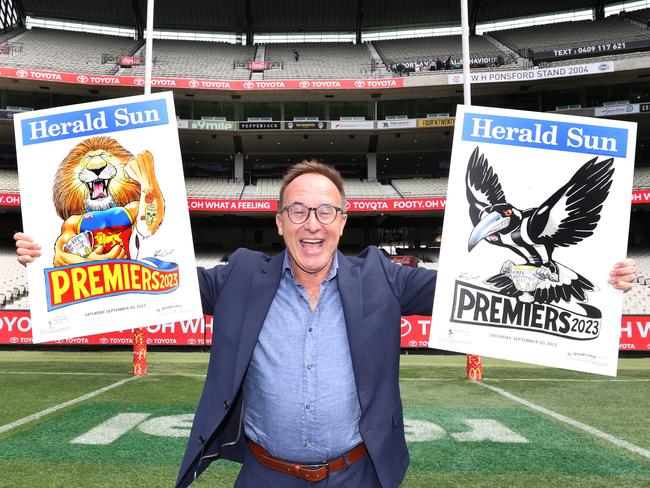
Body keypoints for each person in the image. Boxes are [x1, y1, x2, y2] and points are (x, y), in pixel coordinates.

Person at [14, 161, 637, 488]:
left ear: (344, 221)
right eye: (298, 212)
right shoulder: (240, 276)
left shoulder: (385, 278)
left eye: (325, 212)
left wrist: (598, 277)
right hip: (263, 476)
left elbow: (465, 287)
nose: (312, 225)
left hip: (358, 475)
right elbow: (148, 280)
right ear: (279, 221)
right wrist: (50, 258)